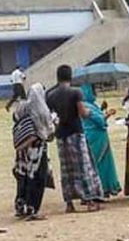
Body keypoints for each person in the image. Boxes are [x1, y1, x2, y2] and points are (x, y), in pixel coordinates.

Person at [46, 65, 103, 213]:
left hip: (61, 135)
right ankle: (89, 200)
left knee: (67, 170)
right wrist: (92, 112)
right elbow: (83, 113)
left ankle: (69, 203)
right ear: (70, 77)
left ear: (57, 77)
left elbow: (51, 117)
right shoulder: (75, 92)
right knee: (83, 167)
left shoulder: (51, 95)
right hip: (76, 133)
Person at [12, 83, 54, 220]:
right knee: (37, 179)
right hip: (36, 151)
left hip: (22, 152)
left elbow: (15, 119)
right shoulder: (42, 111)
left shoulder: (22, 107)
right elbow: (49, 133)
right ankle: (32, 209)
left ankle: (20, 205)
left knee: (22, 178)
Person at [80, 83, 121, 199]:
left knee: (97, 164)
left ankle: (101, 189)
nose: (95, 93)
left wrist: (102, 110)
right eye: (93, 90)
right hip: (96, 138)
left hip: (95, 137)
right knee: (99, 165)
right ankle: (100, 189)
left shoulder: (90, 105)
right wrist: (107, 114)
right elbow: (99, 120)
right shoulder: (86, 106)